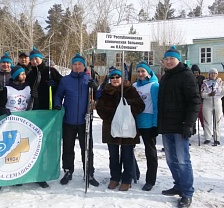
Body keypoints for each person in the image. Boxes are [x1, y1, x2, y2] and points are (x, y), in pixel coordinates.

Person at [158, 46, 201, 208]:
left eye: (171, 59)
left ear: (178, 60)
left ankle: (187, 193)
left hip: (181, 126)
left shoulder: (186, 75)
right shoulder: (166, 77)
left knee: (183, 161)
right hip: (167, 126)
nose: (168, 62)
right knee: (170, 159)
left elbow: (195, 101)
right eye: (166, 59)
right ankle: (179, 185)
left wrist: (188, 124)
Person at [54, 53, 99, 187]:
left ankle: (89, 173)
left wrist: (96, 88)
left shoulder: (89, 79)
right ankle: (68, 171)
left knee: (87, 148)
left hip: (85, 120)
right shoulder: (65, 80)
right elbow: (58, 95)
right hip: (68, 120)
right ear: (72, 66)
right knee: (68, 147)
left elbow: (98, 96)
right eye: (75, 64)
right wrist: (58, 105)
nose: (77, 66)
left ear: (84, 66)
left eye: (80, 64)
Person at [96, 68, 145, 192]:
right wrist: (115, 113)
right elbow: (100, 108)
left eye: (117, 77)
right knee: (113, 155)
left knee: (127, 154)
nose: (115, 79)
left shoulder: (130, 90)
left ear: (122, 79)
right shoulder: (106, 91)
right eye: (112, 77)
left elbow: (140, 106)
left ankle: (127, 179)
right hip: (111, 127)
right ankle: (115, 178)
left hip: (127, 127)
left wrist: (126, 103)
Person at [25, 47, 63, 188]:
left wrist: (56, 84)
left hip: (48, 111)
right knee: (33, 143)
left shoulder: (50, 71)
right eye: (32, 59)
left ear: (41, 58)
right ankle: (32, 171)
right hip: (34, 112)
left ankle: (43, 173)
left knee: (45, 144)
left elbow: (62, 85)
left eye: (37, 58)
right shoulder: (29, 74)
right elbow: (24, 89)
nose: (35, 61)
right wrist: (31, 94)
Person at [133, 61, 159, 191]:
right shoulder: (134, 85)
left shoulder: (154, 85)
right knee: (128, 148)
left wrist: (155, 124)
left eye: (143, 71)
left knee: (150, 152)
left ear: (148, 72)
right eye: (138, 71)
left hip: (148, 123)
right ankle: (133, 172)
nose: (140, 73)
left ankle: (150, 180)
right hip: (134, 121)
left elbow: (156, 106)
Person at [201, 68, 224, 145]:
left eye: (214, 73)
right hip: (208, 102)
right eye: (211, 73)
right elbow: (202, 94)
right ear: (209, 75)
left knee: (217, 121)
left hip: (217, 102)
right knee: (207, 120)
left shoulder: (221, 83)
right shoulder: (205, 83)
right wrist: (208, 95)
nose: (213, 75)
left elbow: (223, 93)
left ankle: (217, 137)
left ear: (217, 74)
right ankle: (207, 137)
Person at [191, 64, 205, 133]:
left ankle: (206, 129)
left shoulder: (202, 78)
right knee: (192, 116)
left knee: (202, 116)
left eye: (197, 72)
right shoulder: (189, 79)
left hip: (200, 100)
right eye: (194, 72)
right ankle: (193, 129)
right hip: (192, 100)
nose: (196, 74)